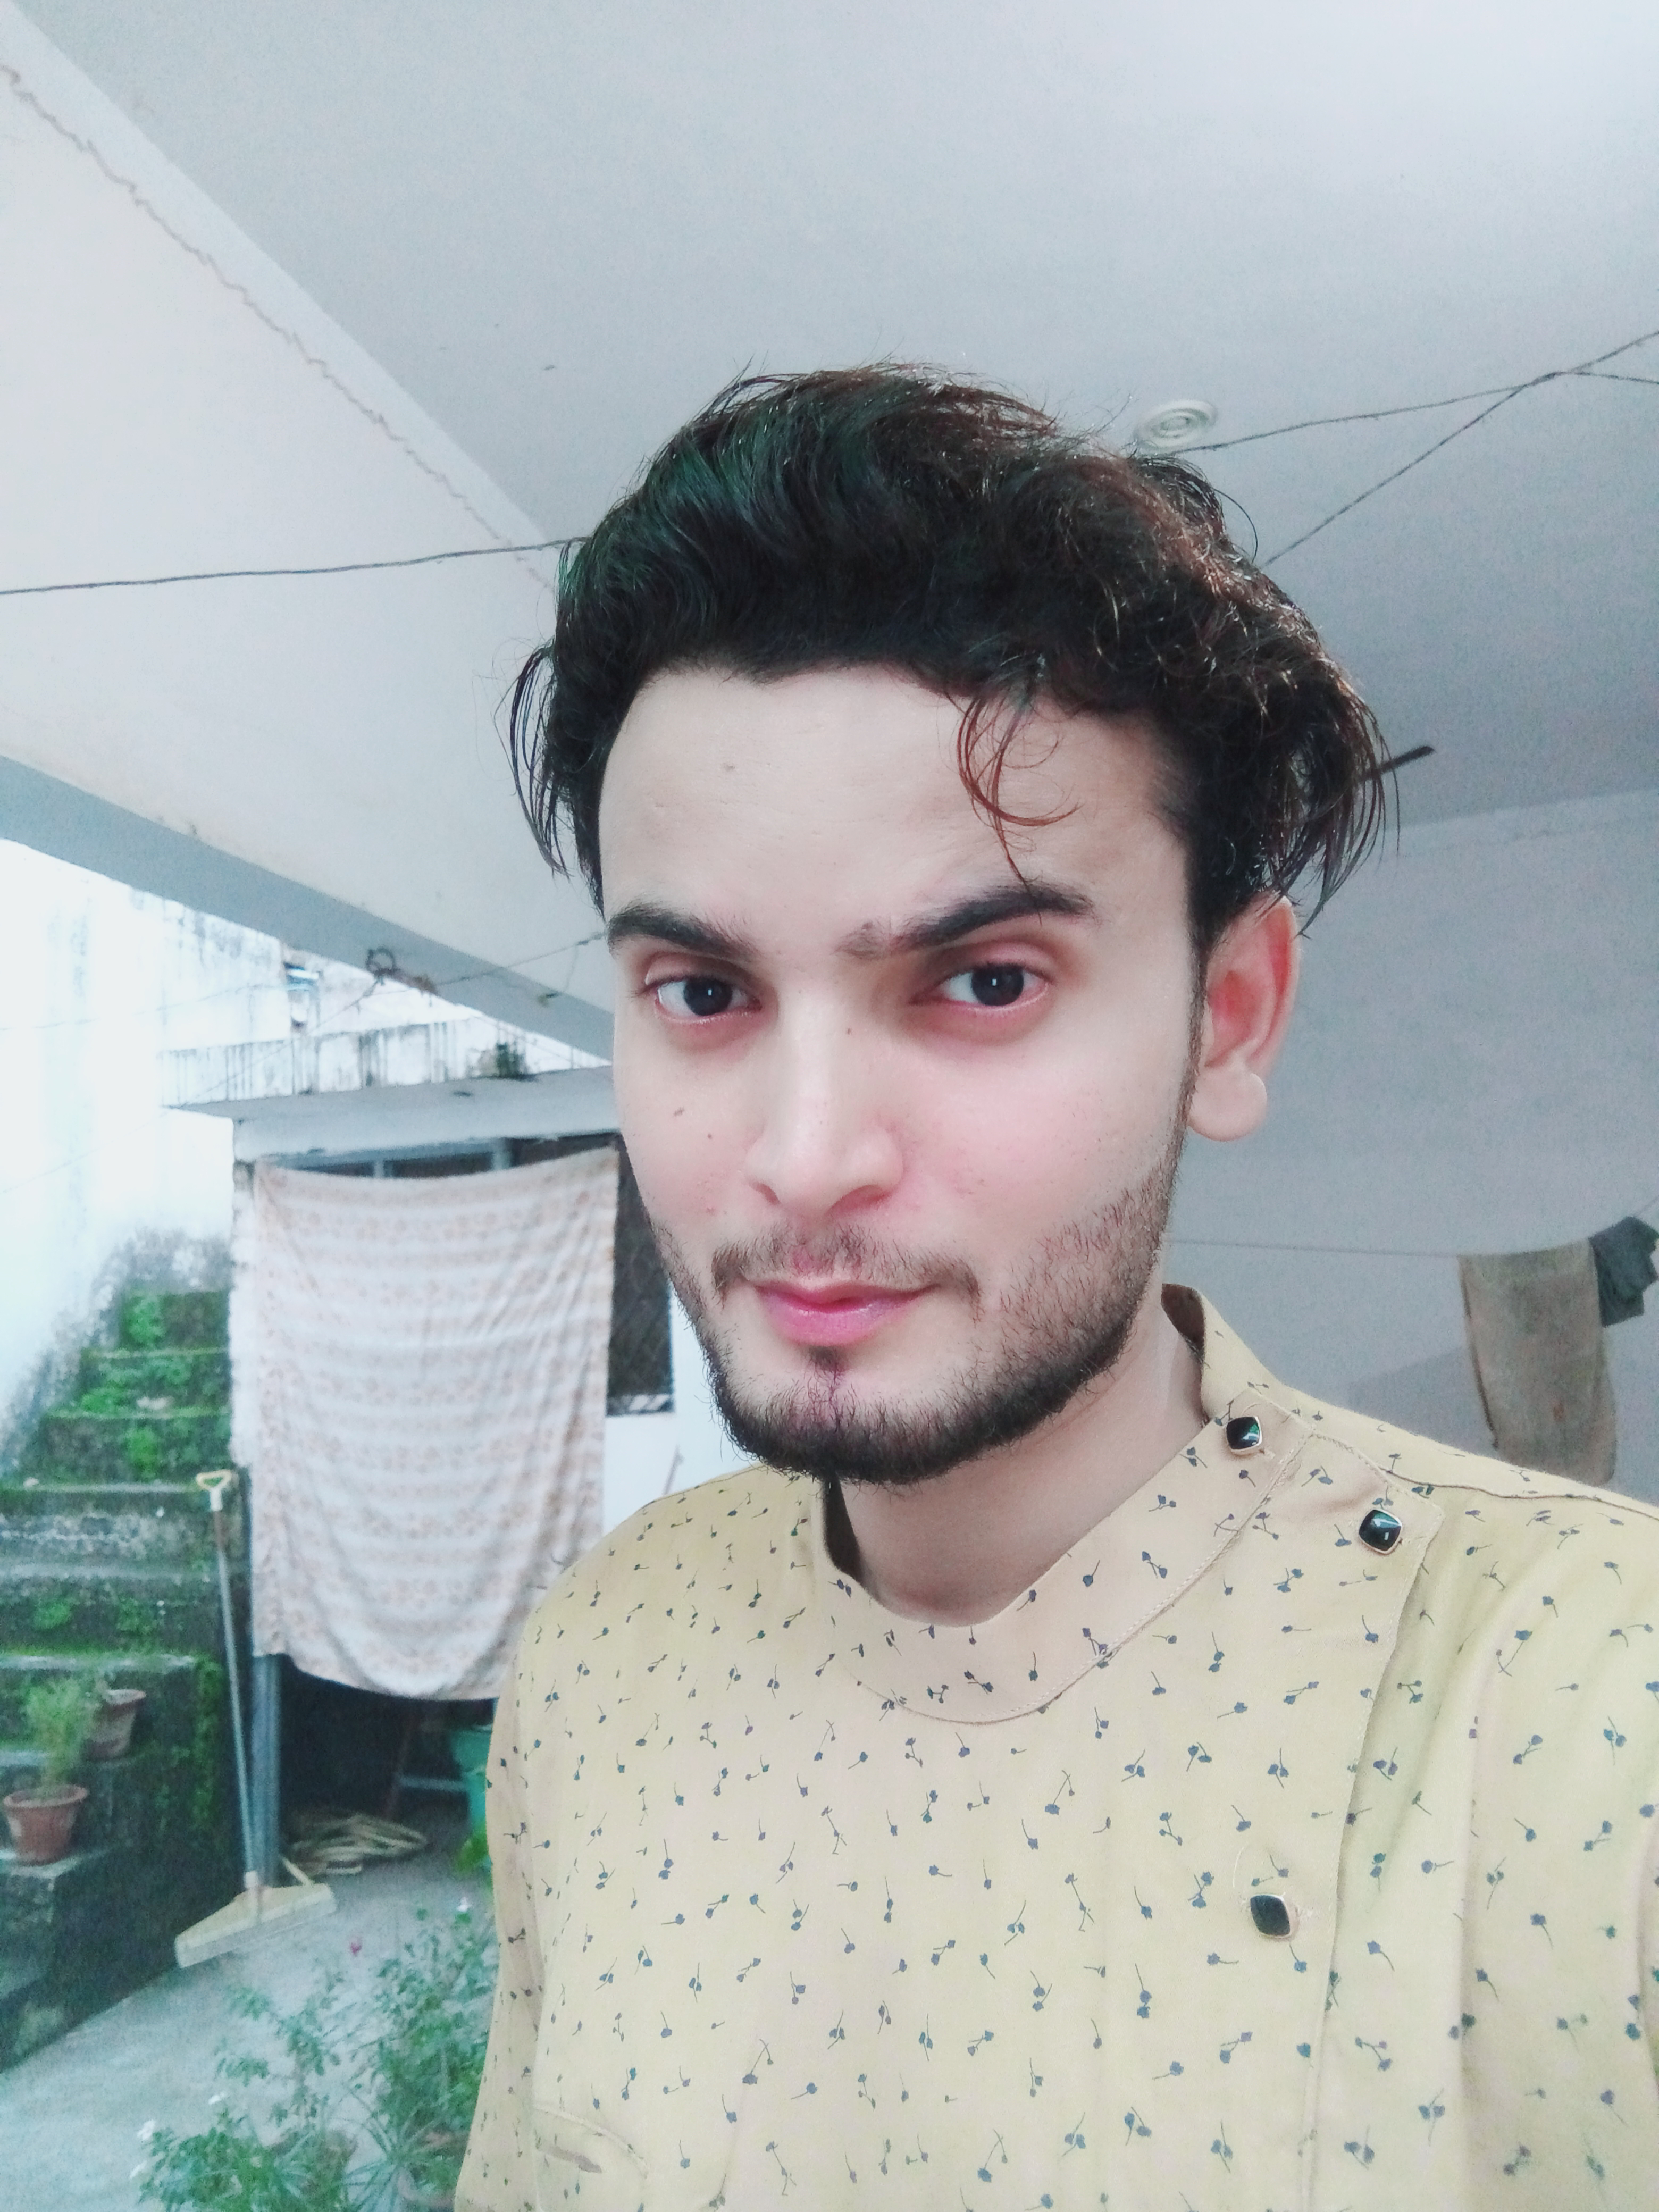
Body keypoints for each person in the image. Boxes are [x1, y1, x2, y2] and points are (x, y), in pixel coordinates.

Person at [458, 370, 1659, 2211]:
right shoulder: (593, 1665)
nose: (805, 1158)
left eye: (985, 981)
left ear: (1227, 1018)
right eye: (702, 994)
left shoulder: (1592, 1703)